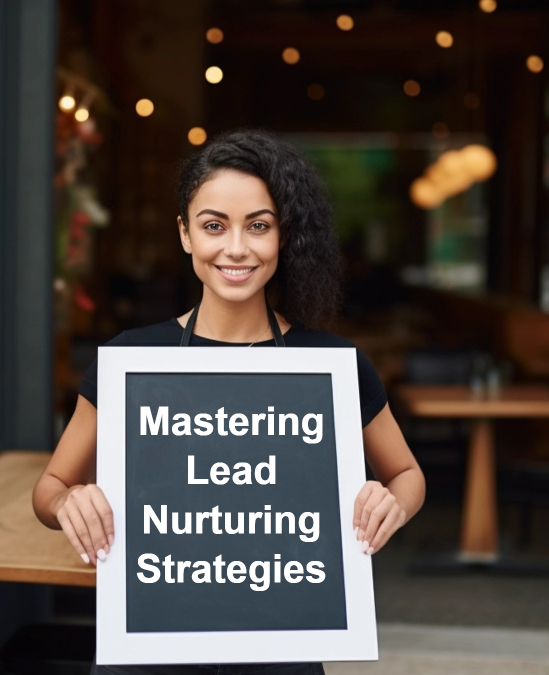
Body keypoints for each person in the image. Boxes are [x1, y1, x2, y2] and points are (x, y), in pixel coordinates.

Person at [34, 129, 425, 675]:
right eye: (214, 225)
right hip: (150, 647)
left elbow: (406, 473)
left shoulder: (329, 364)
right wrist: (68, 502)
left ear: (283, 236)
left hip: (283, 644)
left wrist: (394, 505)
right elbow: (48, 488)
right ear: (185, 234)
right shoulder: (132, 358)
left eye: (258, 226)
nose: (236, 248)